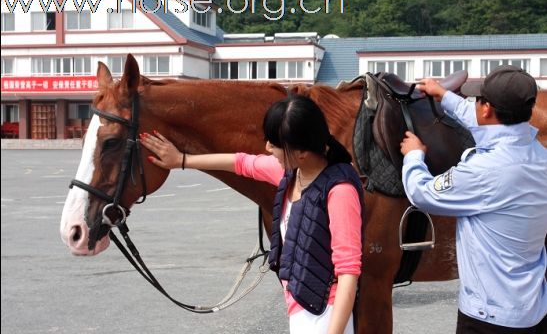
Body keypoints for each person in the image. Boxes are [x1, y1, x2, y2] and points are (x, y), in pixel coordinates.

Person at [140, 95, 364, 334]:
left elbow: (348, 273)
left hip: (324, 314)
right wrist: (182, 160)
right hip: (301, 306)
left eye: (275, 144)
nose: (267, 148)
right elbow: (241, 163)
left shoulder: (339, 192)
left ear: (301, 153)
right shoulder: (292, 173)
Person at [400, 65, 547, 333]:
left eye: (477, 101)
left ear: (487, 109)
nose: (475, 106)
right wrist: (444, 95)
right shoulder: (538, 154)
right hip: (533, 309)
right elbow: (487, 123)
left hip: (487, 318)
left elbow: (421, 193)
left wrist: (413, 155)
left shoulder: (484, 171)